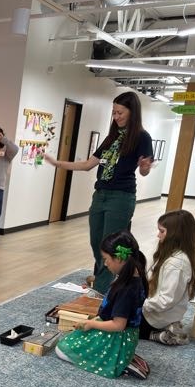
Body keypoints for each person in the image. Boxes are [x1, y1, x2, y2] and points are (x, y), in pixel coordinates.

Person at [44, 91, 153, 293]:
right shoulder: (111, 137)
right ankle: (111, 279)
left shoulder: (142, 137)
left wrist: (145, 166)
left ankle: (102, 292)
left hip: (121, 196)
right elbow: (87, 165)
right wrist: (57, 163)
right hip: (100, 195)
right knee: (97, 242)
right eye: (114, 113)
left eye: (120, 112)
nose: (116, 117)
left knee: (111, 247)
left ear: (132, 112)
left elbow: (144, 171)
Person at [55, 230, 147, 379]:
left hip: (116, 337)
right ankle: (122, 358)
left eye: (106, 259)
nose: (105, 263)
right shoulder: (134, 275)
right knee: (74, 337)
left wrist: (91, 324)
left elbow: (118, 325)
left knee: (62, 349)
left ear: (119, 258)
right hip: (124, 335)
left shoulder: (127, 287)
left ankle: (117, 362)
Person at [141, 209, 195, 345]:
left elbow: (166, 300)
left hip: (159, 316)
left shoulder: (176, 263)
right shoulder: (173, 255)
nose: (158, 235)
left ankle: (162, 334)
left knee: (120, 325)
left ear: (175, 235)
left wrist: (141, 304)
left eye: (162, 231)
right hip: (160, 312)